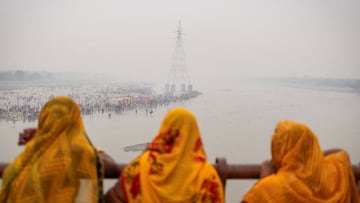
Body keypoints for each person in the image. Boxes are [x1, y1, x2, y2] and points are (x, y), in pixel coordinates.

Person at [105, 107, 224, 203]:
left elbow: (113, 197)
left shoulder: (142, 166)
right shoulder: (206, 175)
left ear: (165, 130)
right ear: (194, 135)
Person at [0, 96, 105, 203]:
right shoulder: (80, 153)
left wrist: (42, 136)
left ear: (44, 119)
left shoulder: (26, 158)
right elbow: (109, 165)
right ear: (76, 121)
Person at [242, 120, 360, 203]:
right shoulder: (334, 176)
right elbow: (340, 153)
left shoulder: (272, 186)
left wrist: (263, 178)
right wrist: (309, 157)